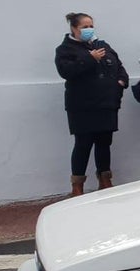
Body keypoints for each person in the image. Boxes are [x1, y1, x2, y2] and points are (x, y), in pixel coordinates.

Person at [54, 12, 128, 195]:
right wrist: (89, 58)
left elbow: (119, 67)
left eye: (91, 26)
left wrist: (121, 83)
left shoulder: (102, 45)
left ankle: (105, 179)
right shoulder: (65, 49)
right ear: (73, 29)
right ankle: (77, 184)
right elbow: (66, 71)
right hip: (83, 107)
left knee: (104, 143)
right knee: (83, 144)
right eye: (84, 27)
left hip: (106, 105)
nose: (89, 30)